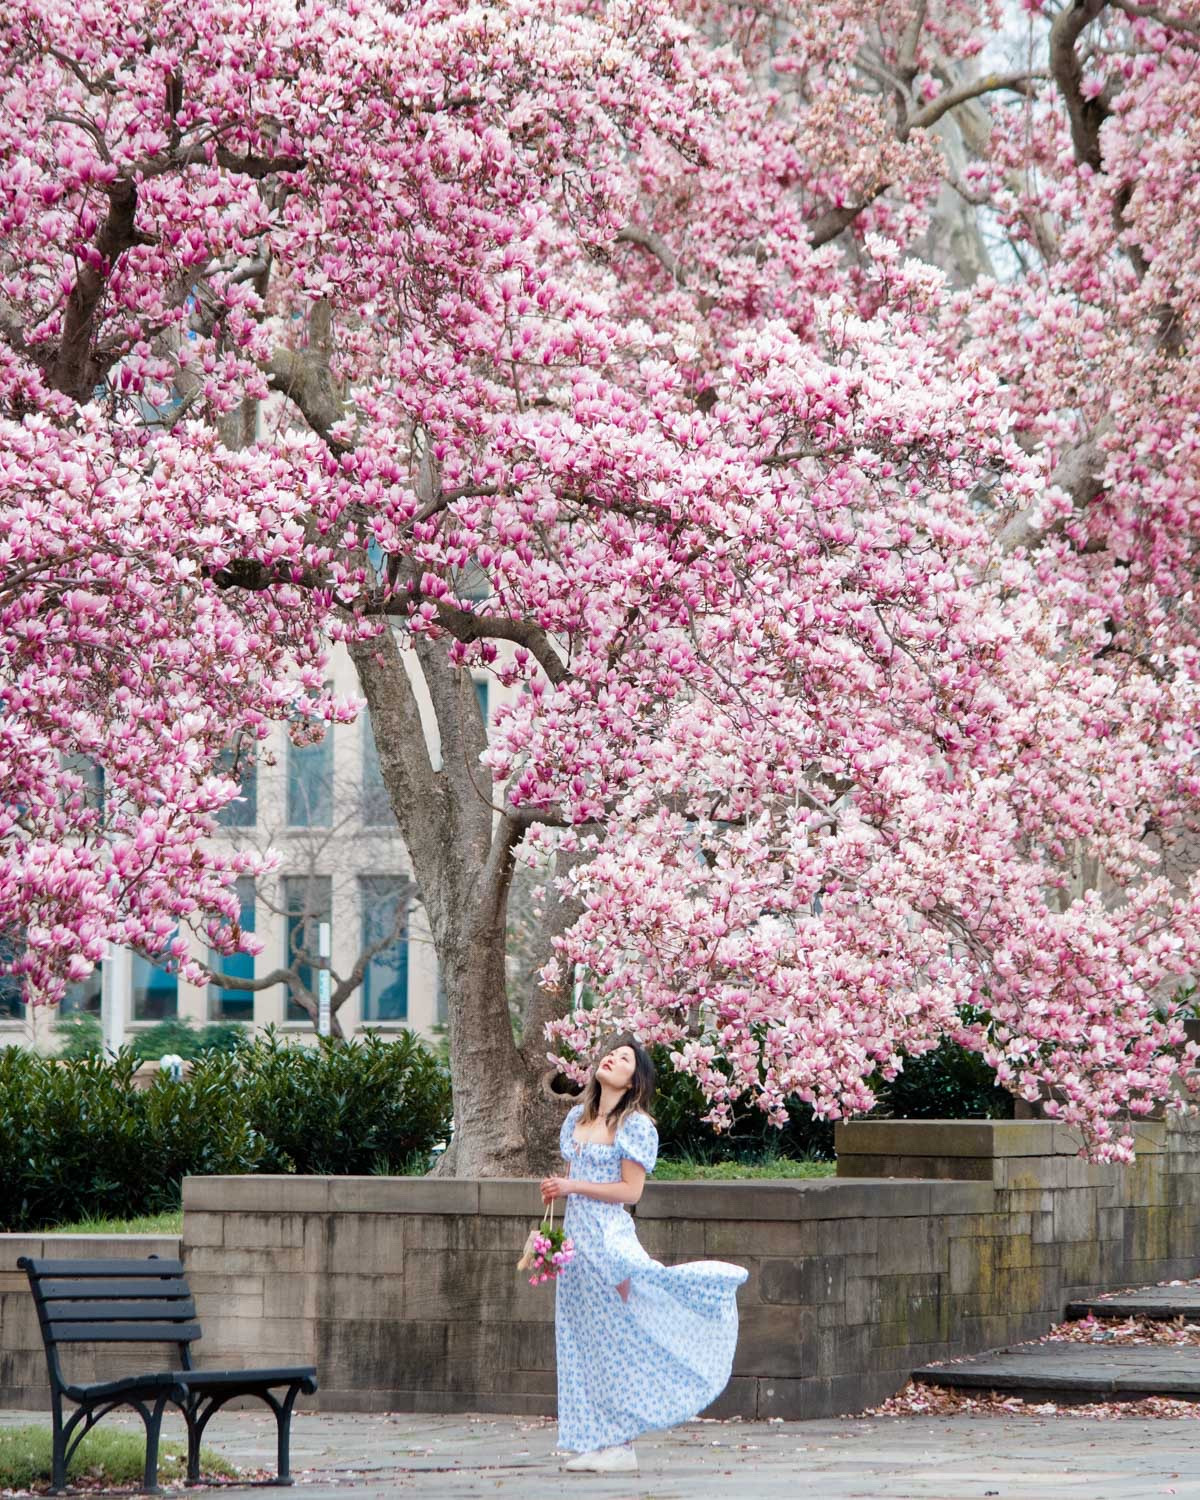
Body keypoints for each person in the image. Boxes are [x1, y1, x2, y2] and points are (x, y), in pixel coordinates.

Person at [540, 1032, 749, 1475]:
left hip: (608, 1241)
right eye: (611, 1054)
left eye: (624, 1059)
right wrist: (559, 1191)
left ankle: (621, 1442)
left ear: (635, 1081)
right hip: (577, 1241)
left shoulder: (634, 1126)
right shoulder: (578, 1117)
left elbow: (630, 1191)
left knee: (615, 1338)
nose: (612, 1059)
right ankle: (597, 1438)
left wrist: (572, 1185)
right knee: (582, 1341)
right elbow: (573, 1180)